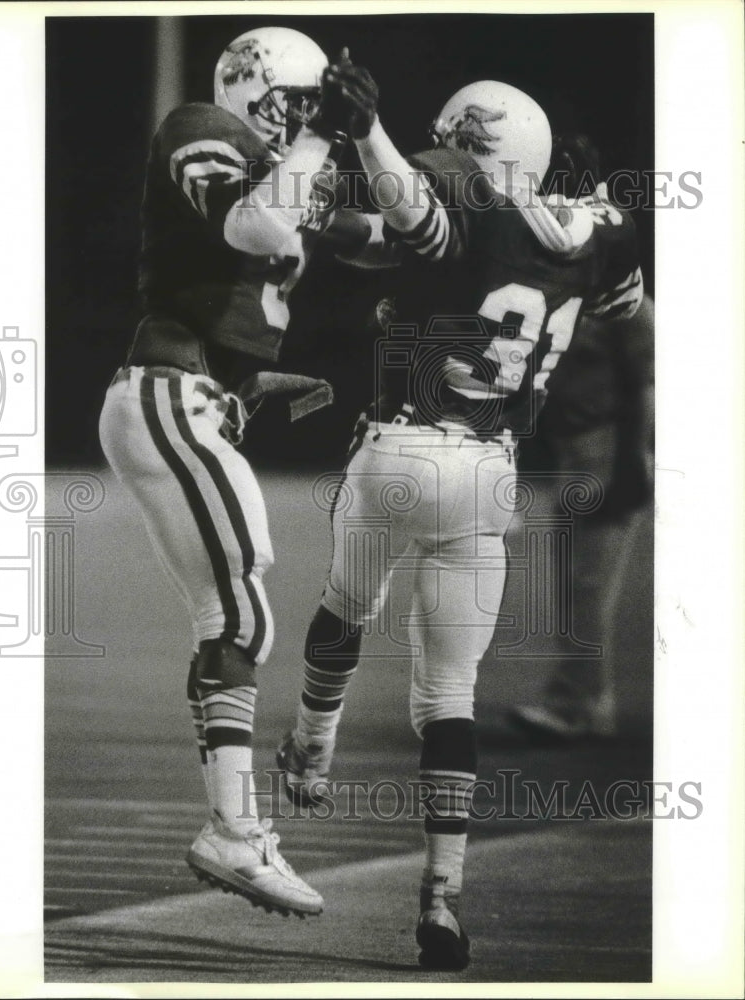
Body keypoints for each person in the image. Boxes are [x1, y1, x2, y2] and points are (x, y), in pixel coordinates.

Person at [275, 66, 644, 966]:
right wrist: (579, 212)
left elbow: (409, 212)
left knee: (346, 608)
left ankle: (313, 750)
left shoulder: (461, 207)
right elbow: (614, 296)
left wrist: (361, 137)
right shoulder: (599, 235)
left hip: (400, 450)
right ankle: (441, 904)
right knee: (448, 699)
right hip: (488, 474)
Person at [98, 27, 375, 918]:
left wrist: (489, 212)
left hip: (200, 397)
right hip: (167, 394)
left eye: (312, 108)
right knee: (238, 611)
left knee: (235, 608)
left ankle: (235, 826)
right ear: (258, 89)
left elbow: (386, 238)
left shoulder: (284, 159)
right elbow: (252, 221)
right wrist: (329, 138)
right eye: (299, 102)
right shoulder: (198, 126)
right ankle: (232, 831)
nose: (303, 119)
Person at [510, 135, 654, 739]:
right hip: (575, 449)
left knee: (587, 584)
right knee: (573, 583)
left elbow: (647, 386)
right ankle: (582, 698)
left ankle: (583, 703)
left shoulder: (626, 300)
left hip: (607, 448)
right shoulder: (559, 286)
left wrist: (638, 461)